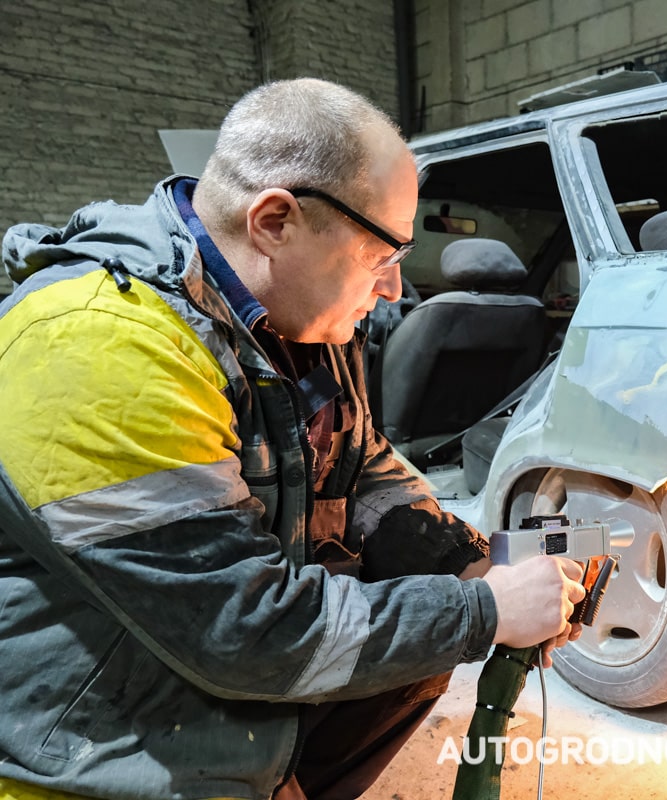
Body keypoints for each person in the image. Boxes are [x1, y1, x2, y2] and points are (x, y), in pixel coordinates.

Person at [0, 78, 584, 800]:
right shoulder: (96, 344)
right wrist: (481, 611)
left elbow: (363, 466)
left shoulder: (298, 321)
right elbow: (238, 627)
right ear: (275, 220)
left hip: (218, 695)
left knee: (422, 632)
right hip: (92, 754)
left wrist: (470, 568)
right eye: (383, 255)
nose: (396, 290)